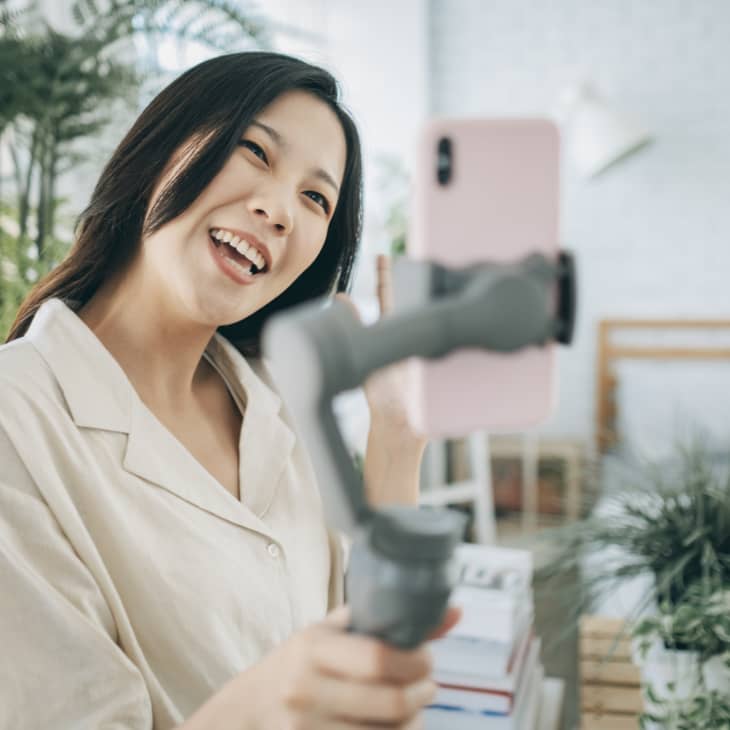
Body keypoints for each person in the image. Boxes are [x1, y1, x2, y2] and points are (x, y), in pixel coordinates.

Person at [0, 52, 460, 729]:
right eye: (255, 151)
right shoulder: (19, 422)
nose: (278, 210)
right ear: (162, 148)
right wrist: (265, 705)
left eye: (316, 198)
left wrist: (399, 433)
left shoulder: (278, 399)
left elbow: (361, 651)